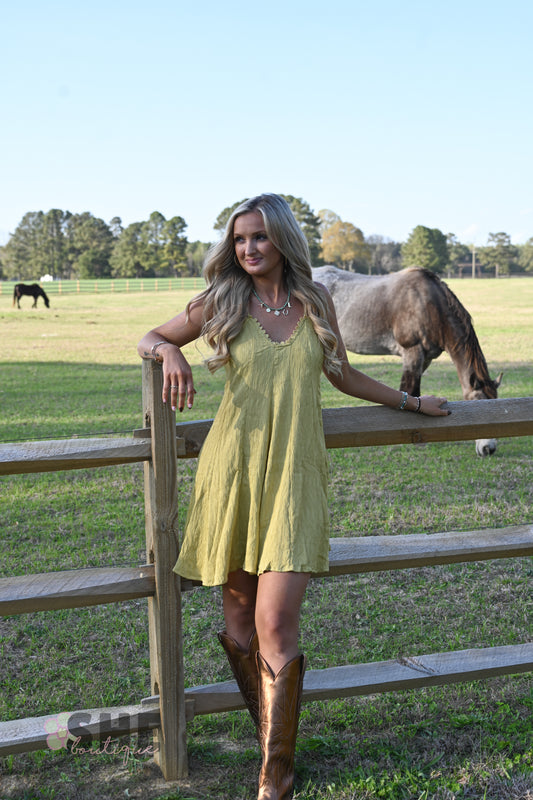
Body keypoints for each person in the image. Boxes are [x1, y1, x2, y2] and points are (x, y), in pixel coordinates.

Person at [137, 193, 449, 799]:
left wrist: (410, 402)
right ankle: (271, 751)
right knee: (236, 616)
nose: (248, 249)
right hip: (233, 472)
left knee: (275, 620)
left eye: (258, 237)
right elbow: (149, 336)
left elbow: (341, 374)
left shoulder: (314, 301)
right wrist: (170, 349)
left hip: (295, 475)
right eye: (239, 239)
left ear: (282, 240)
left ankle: (275, 777)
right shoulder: (222, 300)